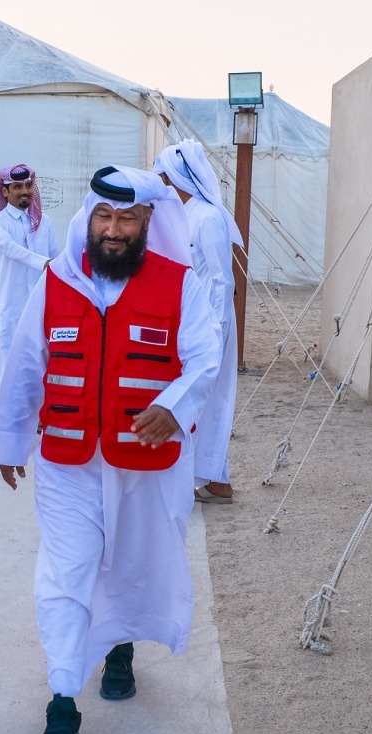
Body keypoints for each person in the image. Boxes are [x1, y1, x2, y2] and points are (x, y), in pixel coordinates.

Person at [0, 165, 222, 734]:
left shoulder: (180, 284)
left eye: (126, 218)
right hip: (68, 460)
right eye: (103, 216)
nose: (113, 230)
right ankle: (63, 700)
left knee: (128, 562)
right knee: (64, 572)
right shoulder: (56, 281)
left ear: (147, 221)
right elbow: (25, 364)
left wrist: (173, 406)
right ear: (87, 219)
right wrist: (10, 441)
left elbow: (204, 358)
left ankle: (119, 648)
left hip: (147, 460)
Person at [154, 140, 245, 504]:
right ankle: (215, 482)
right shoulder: (178, 215)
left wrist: (218, 331)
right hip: (185, 323)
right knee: (194, 402)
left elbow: (223, 280)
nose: (158, 183)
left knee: (205, 403)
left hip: (211, 325)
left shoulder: (207, 217)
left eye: (161, 176)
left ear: (176, 177)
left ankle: (198, 480)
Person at [0, 163, 60, 385]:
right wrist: (45, 263)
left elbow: (56, 259)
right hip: (8, 312)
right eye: (17, 186)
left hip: (40, 311)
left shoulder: (44, 222)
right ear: (5, 191)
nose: (24, 191)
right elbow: (11, 249)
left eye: (28, 185)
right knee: (9, 377)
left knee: (40, 374)